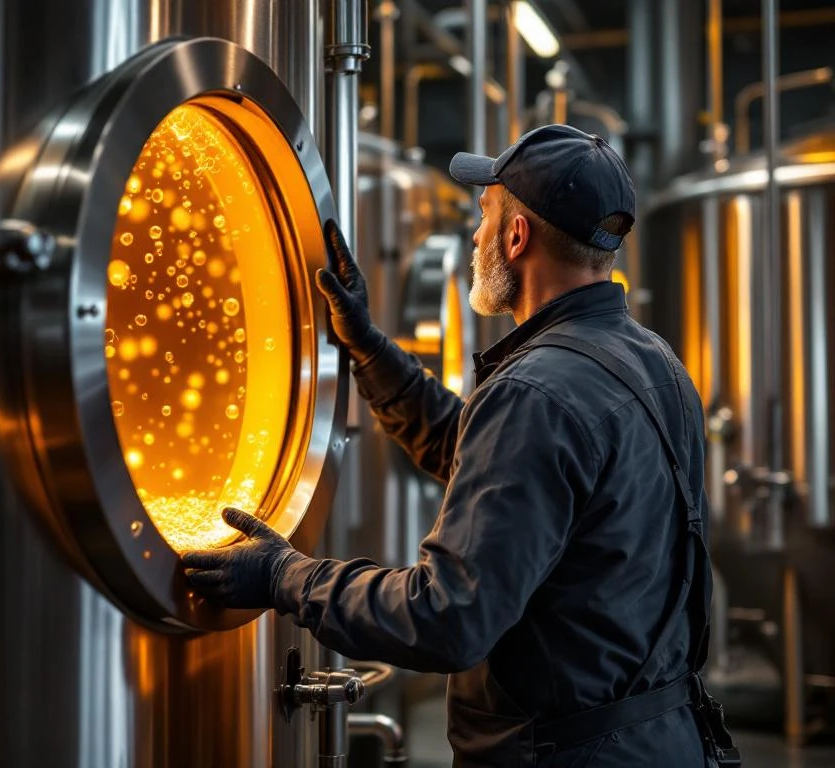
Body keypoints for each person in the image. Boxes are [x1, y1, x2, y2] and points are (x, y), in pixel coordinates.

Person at [181, 124, 739, 767]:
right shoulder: (655, 363)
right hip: (663, 741)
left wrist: (286, 576)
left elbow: (448, 618)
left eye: (483, 216)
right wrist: (368, 348)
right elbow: (488, 461)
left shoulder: (536, 392)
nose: (475, 238)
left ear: (516, 236)